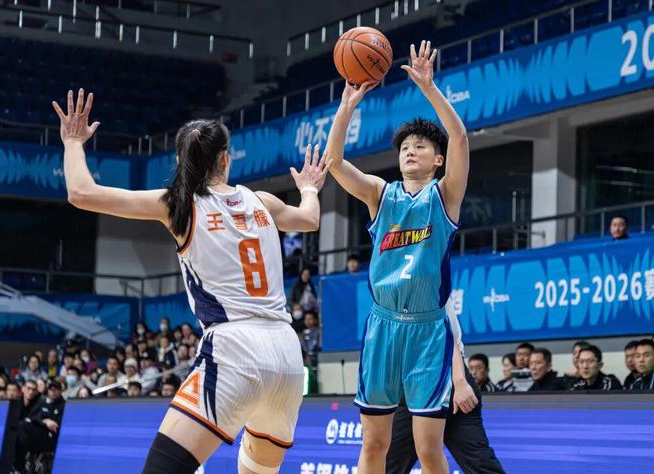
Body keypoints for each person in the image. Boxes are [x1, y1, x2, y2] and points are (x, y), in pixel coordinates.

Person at [52, 88, 329, 473]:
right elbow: (310, 219)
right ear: (226, 158)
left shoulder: (178, 205)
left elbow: (82, 193)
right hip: (286, 353)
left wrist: (72, 142)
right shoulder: (262, 201)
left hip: (236, 348)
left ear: (181, 161)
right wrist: (310, 189)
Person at [326, 40, 469, 473]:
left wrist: (428, 87)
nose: (410, 149)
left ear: (438, 160)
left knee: (428, 450)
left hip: (428, 330)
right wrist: (346, 107)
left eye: (421, 146)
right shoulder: (380, 194)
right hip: (383, 326)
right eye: (406, 145)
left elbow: (460, 137)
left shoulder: (445, 196)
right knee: (374, 445)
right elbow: (335, 162)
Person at [386, 301, 504, 474]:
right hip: (415, 383)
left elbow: (445, 333)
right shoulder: (387, 297)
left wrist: (460, 381)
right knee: (392, 462)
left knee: (478, 462)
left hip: (446, 377)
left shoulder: (422, 289)